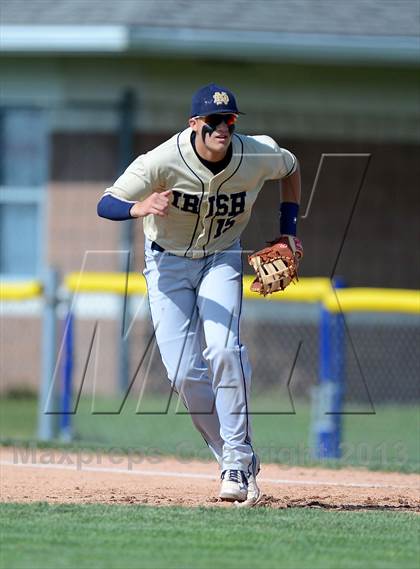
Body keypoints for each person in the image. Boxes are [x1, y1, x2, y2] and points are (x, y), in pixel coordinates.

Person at [97, 83, 302, 506]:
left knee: (226, 350)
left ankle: (237, 461)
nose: (222, 128)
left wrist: (290, 230)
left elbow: (292, 168)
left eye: (229, 120)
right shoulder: (162, 160)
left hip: (221, 258)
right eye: (213, 121)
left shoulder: (257, 153)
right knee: (183, 375)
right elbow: (107, 203)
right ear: (194, 124)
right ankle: (230, 453)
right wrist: (140, 207)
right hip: (167, 265)